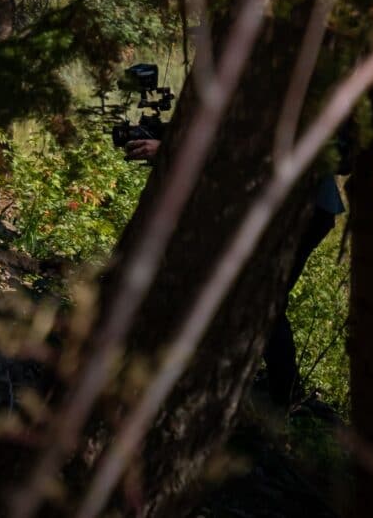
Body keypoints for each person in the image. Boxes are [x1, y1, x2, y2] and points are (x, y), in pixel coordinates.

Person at [122, 132, 343, 410]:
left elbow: (246, 148)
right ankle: (273, 387)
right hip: (299, 201)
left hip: (300, 204)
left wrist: (171, 149)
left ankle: (284, 394)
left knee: (261, 295)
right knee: (255, 293)